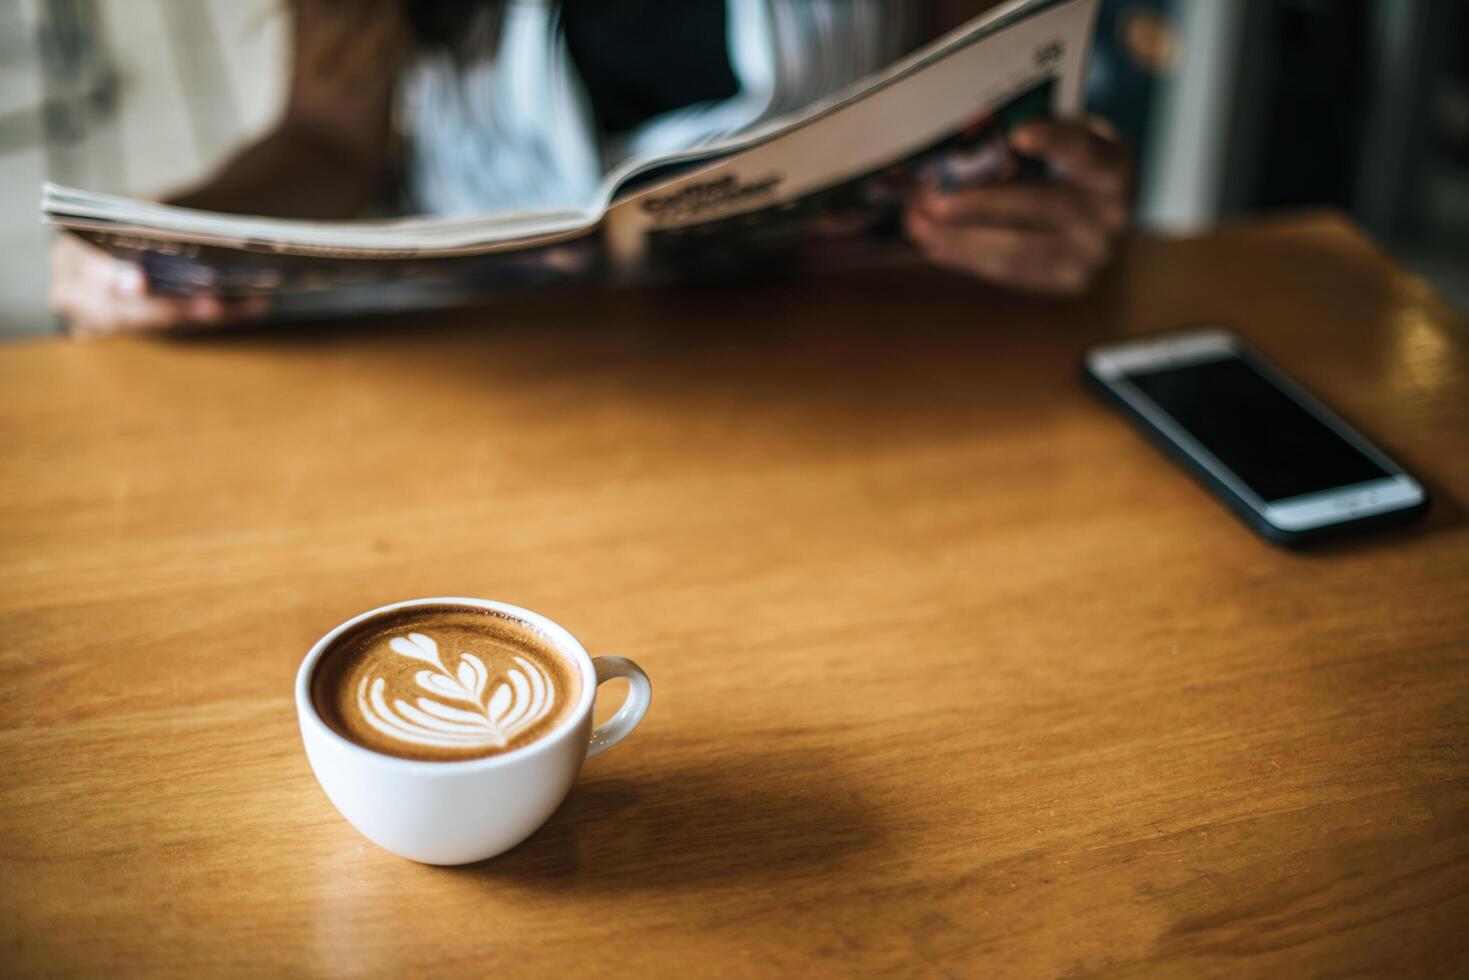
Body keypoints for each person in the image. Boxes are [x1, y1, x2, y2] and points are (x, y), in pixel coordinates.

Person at [50, 0, 1131, 337]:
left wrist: (1051, 209)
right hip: (480, 377)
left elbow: (987, 112)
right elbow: (330, 141)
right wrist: (145, 236)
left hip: (810, 381)